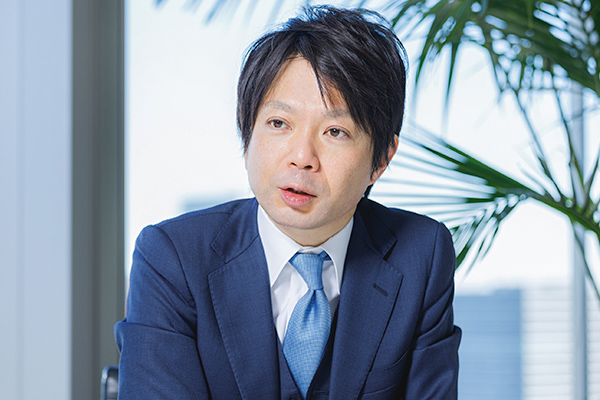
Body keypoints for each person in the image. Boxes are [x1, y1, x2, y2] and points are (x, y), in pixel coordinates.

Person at [115, 5, 461, 400]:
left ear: (381, 159)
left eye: (335, 131)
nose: (301, 157)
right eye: (279, 123)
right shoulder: (173, 258)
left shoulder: (421, 254)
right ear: (247, 136)